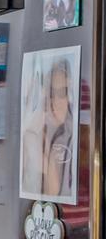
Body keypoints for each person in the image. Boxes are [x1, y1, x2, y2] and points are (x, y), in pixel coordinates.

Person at [20, 54, 78, 202]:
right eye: (51, 93)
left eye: (62, 92)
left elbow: (54, 192)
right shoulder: (33, 133)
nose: (55, 101)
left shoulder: (76, 133)